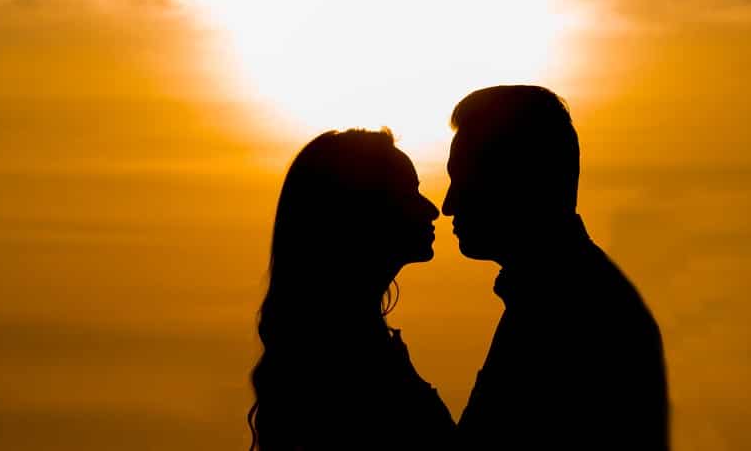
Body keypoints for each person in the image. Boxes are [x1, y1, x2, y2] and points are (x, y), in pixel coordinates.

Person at [442, 85, 669, 450]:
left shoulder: (573, 312)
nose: (448, 205)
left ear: (516, 182)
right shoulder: (557, 296)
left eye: (464, 181)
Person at [247, 128, 454, 449]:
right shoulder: (340, 356)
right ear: (365, 212)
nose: (432, 209)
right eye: (409, 193)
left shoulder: (331, 344)